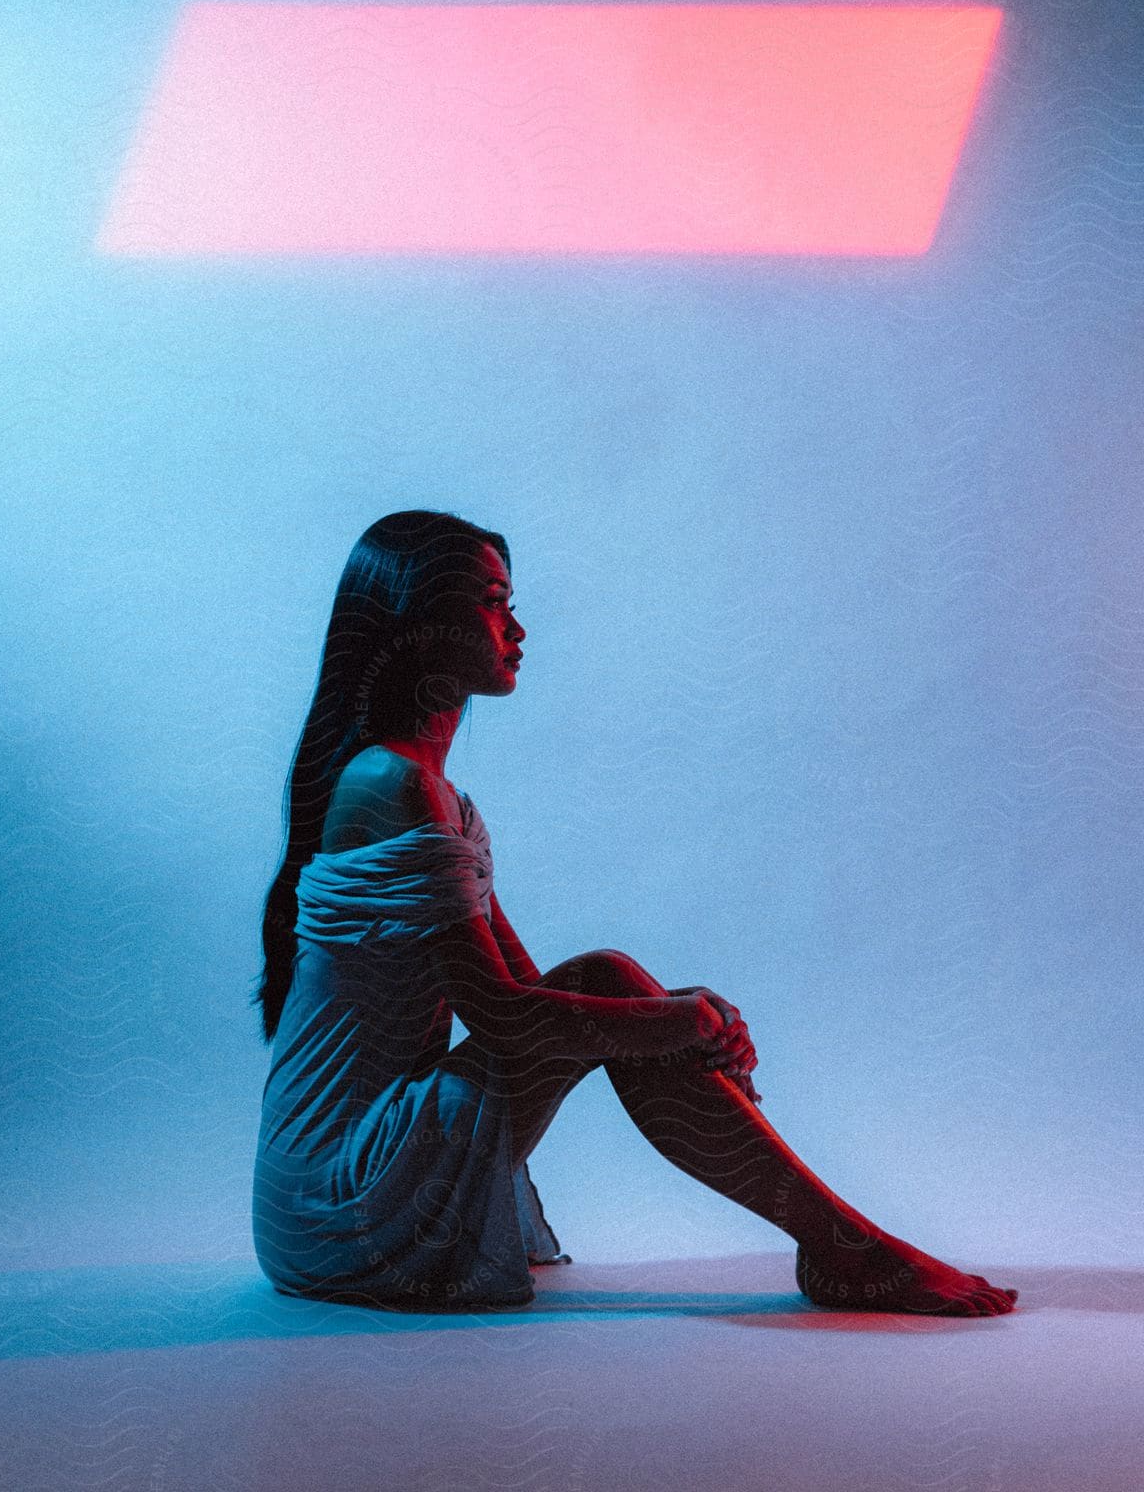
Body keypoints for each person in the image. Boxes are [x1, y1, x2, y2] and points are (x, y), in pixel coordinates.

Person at [251, 510, 1017, 1317]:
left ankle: (840, 1244)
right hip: (339, 1197)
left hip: (328, 1190)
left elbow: (526, 989)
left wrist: (678, 1017)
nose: (516, 626)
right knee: (620, 990)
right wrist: (680, 1023)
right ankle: (845, 1247)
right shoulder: (394, 787)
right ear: (418, 623)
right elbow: (511, 1020)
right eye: (492, 601)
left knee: (614, 982)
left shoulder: (427, 791)